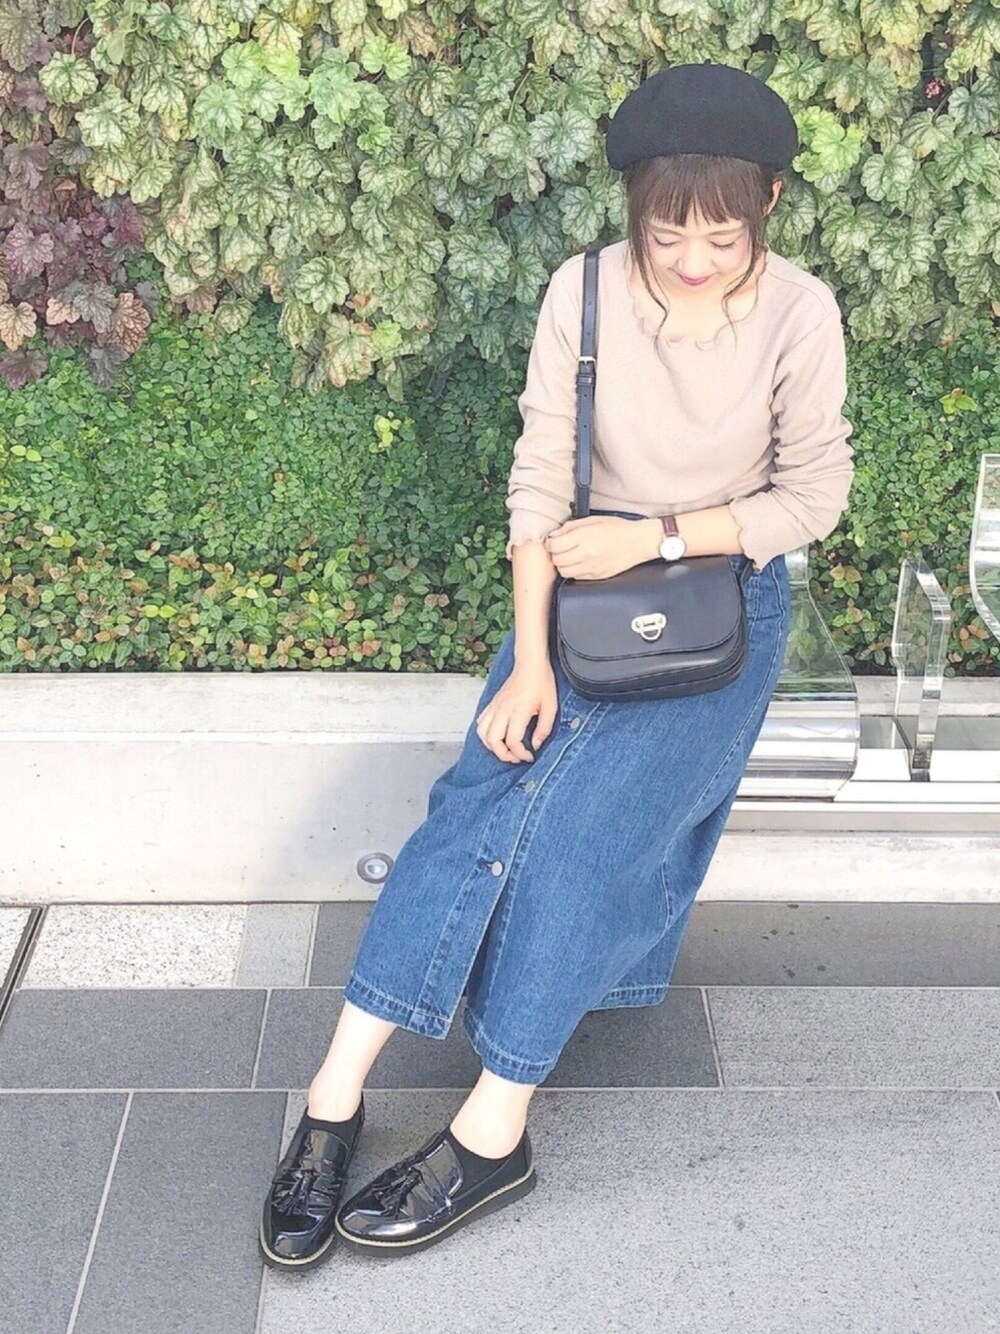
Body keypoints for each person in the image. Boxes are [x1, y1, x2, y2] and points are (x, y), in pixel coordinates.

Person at [258, 61, 855, 1267]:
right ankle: (332, 1097)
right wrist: (527, 662)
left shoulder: (800, 313)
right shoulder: (579, 292)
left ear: (770, 205)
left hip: (718, 609)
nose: (692, 259)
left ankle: (494, 1130)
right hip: (574, 602)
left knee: (580, 845)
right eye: (667, 233)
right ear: (635, 207)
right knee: (474, 808)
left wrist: (659, 535)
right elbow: (538, 482)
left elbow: (813, 495)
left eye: (722, 236)